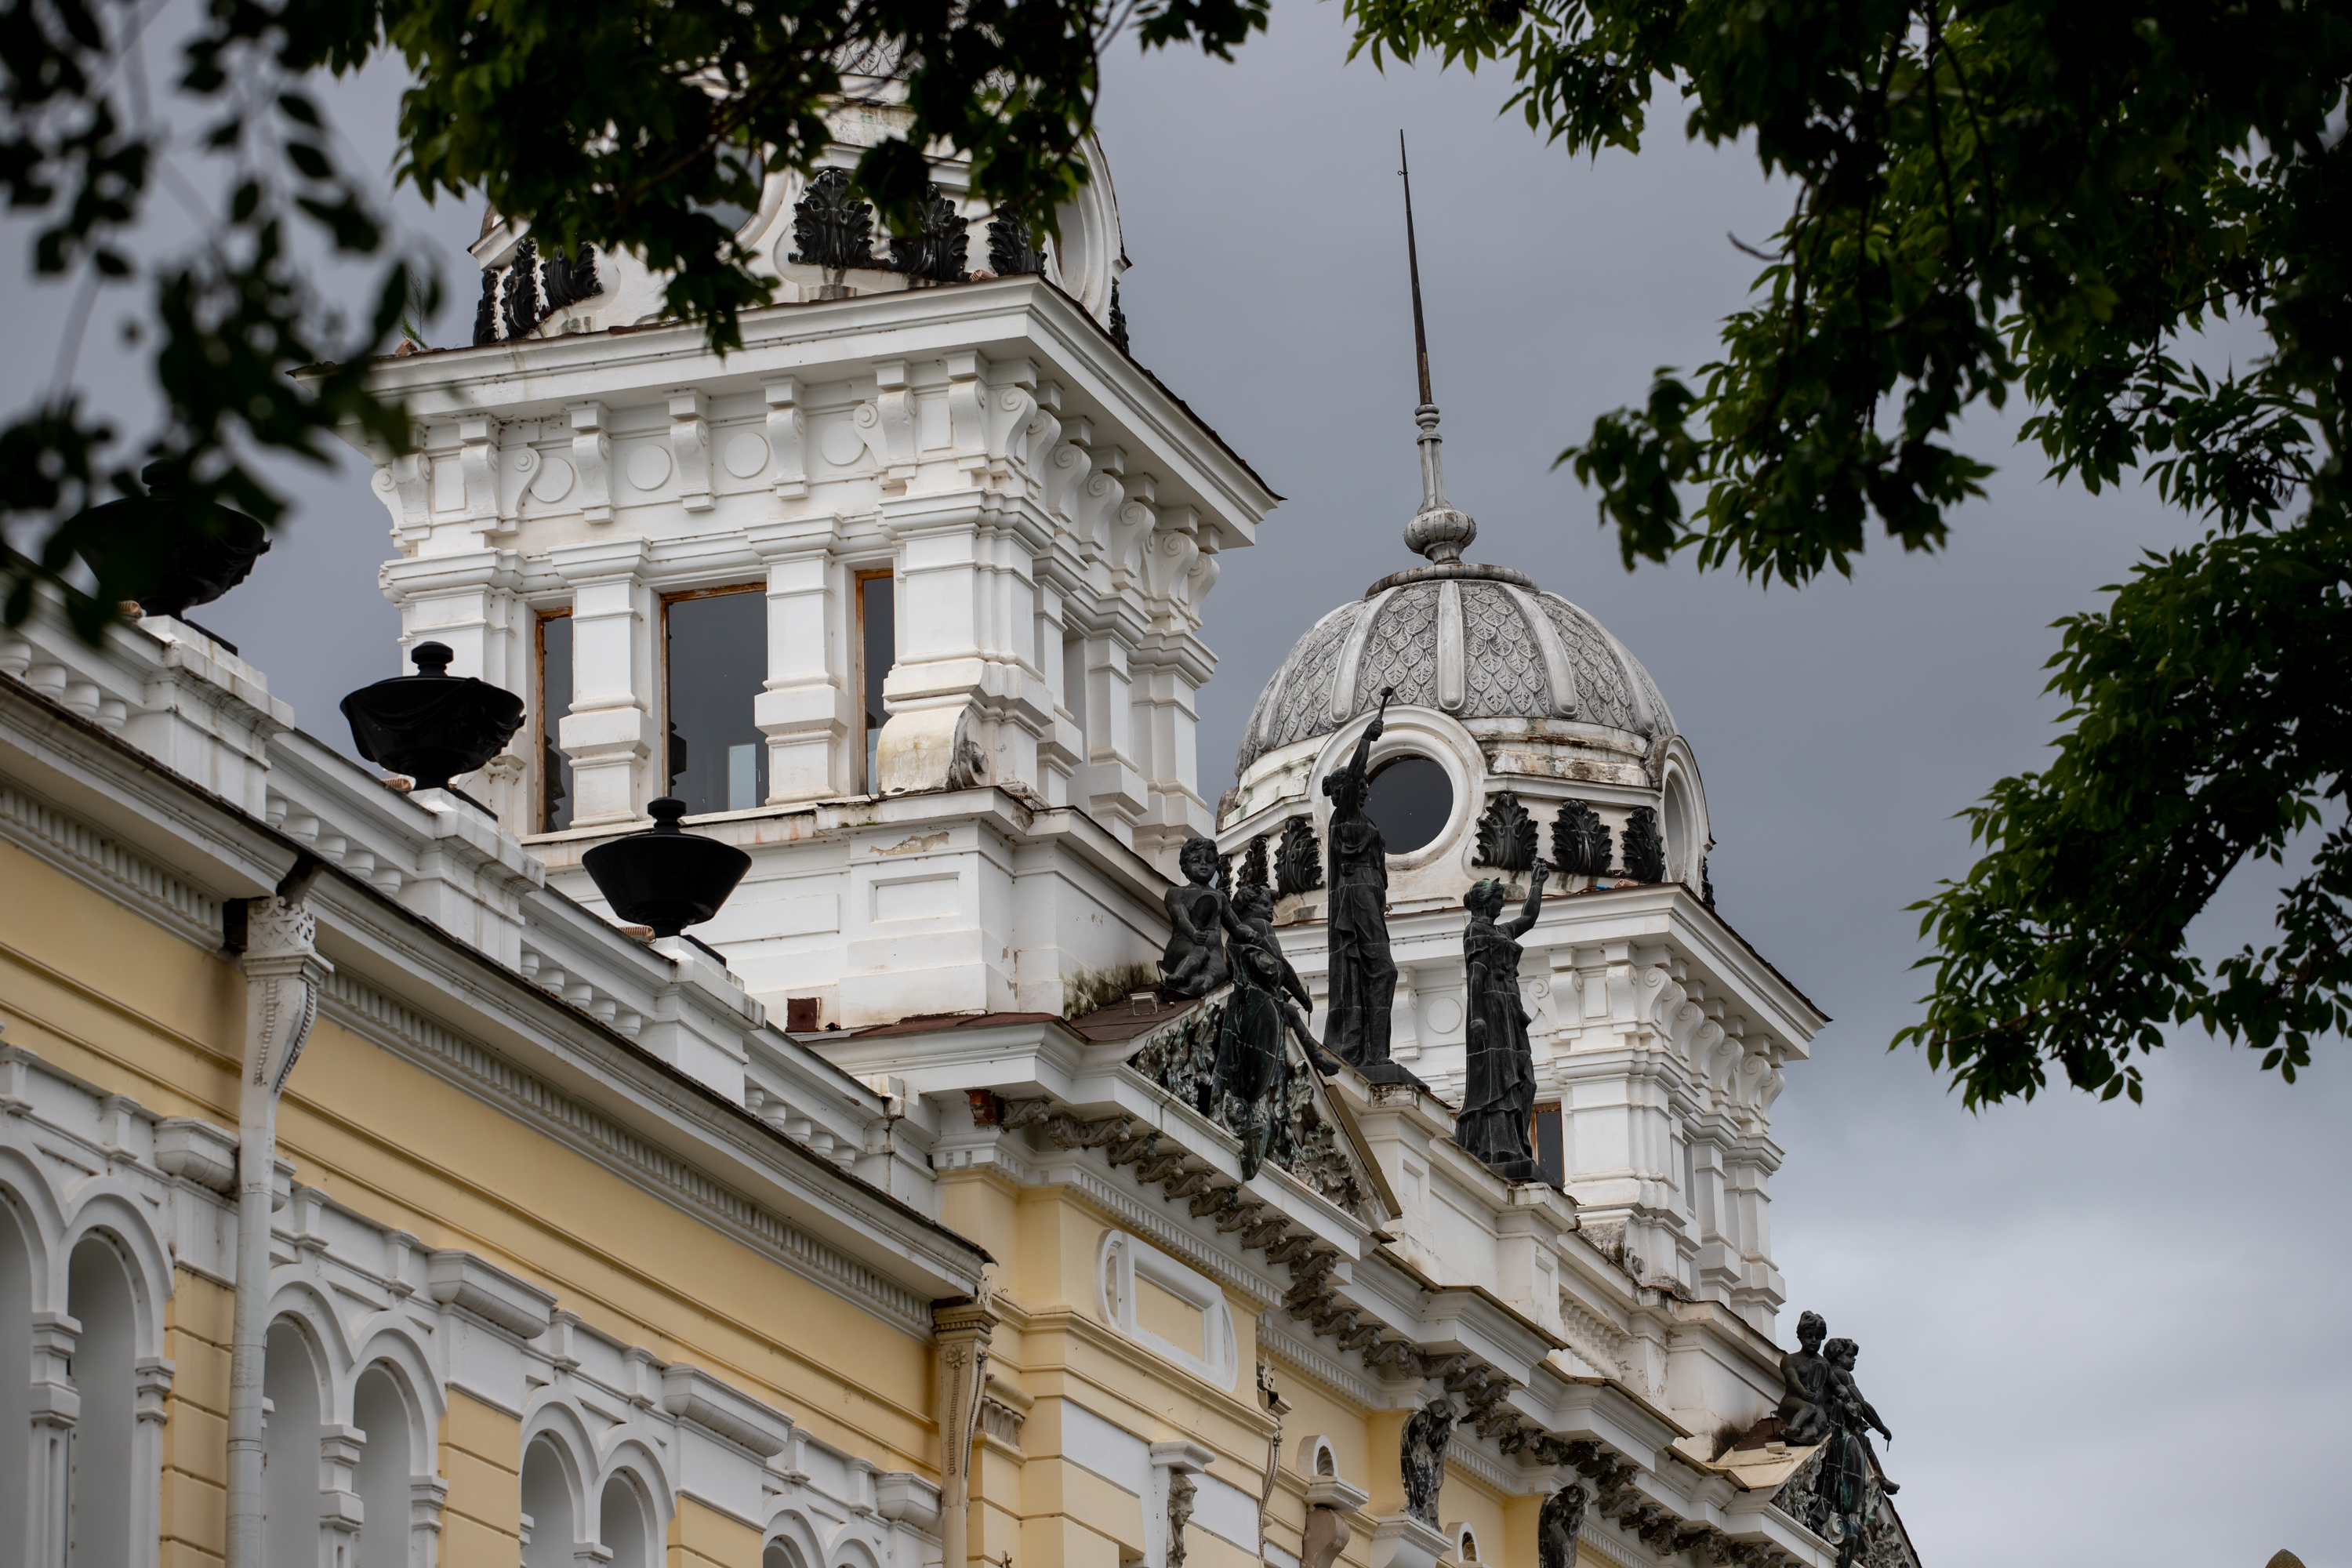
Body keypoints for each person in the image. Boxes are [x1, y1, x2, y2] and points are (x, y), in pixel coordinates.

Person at [1455, 864, 1548, 1180]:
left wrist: (1536, 884)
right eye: (1498, 898)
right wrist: (1477, 1016)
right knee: (1498, 1078)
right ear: (1484, 902)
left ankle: (1516, 1143)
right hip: (1491, 1008)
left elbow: (1529, 918)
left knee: (1526, 1079)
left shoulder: (1502, 931)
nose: (1502, 903)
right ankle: (1500, 1146)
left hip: (1510, 1007)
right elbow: (1476, 976)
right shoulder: (1476, 932)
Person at [1322, 693, 1399, 1074]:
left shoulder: (1363, 823)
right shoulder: (1345, 819)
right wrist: (1367, 740)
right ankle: (1372, 1052)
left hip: (1369, 899)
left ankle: (1376, 1053)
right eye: (1353, 787)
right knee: (1382, 970)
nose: (1362, 788)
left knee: (1381, 973)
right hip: (1357, 902)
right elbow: (1353, 775)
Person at [1160, 836, 1232, 996]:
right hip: (1181, 950)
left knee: (1220, 968)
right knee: (1200, 951)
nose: (1203, 864)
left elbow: (1235, 926)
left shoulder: (1220, 896)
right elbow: (1181, 917)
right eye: (1196, 860)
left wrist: (1251, 933)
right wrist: (1193, 933)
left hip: (1212, 954)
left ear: (1215, 865)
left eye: (1209, 861)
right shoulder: (1177, 893)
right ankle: (1179, 976)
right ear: (1185, 867)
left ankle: (1200, 985)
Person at [1775, 1310, 1834, 1445]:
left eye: (1817, 1337)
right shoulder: (1790, 1360)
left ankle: (1808, 1435)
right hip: (1792, 1404)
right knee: (1808, 1408)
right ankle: (1793, 1428)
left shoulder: (1824, 1363)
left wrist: (1844, 1393)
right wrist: (1803, 1393)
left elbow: (1835, 1385)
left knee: (1820, 1420)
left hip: (1817, 1408)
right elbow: (1792, 1379)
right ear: (1800, 1337)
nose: (1813, 1341)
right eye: (1809, 1336)